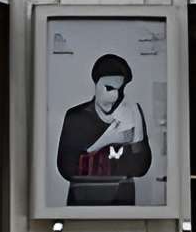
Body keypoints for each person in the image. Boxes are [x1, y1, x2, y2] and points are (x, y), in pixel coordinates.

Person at [55, 53, 152, 207]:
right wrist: (105, 141)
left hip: (122, 206)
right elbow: (66, 169)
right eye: (109, 88)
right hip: (82, 206)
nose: (115, 96)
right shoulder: (76, 117)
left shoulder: (130, 117)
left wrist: (138, 136)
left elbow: (140, 169)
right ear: (96, 84)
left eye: (120, 90)